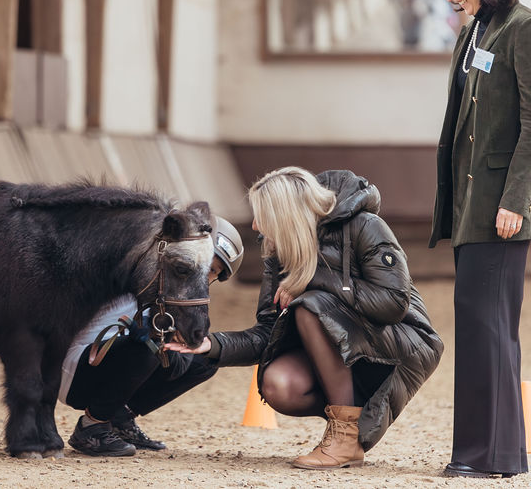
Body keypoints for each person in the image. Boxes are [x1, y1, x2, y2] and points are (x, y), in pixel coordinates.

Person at [168, 167, 443, 470]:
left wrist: (314, 279)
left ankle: (344, 438)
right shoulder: (280, 250)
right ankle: (351, 410)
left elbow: (394, 303)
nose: (257, 225)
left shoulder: (365, 226)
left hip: (404, 341)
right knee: (279, 385)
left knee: (309, 305)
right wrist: (213, 345)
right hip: (343, 347)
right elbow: (268, 334)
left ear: (285, 214)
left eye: (263, 215)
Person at [431, 0, 531, 479]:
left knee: (491, 328)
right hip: (469, 205)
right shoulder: (476, 30)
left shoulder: (528, 31)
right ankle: (486, 453)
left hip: (501, 209)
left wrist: (514, 201)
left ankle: (490, 456)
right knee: (478, 325)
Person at [59, 216, 244, 457]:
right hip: (76, 368)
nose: (202, 272)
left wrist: (184, 344)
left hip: (111, 365)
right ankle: (92, 427)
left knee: (206, 355)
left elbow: (177, 367)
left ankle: (119, 416)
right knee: (151, 344)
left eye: (211, 270)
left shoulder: (180, 296)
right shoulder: (146, 271)